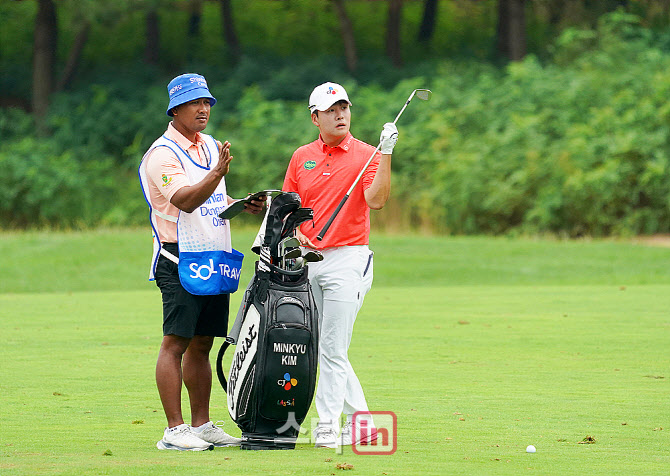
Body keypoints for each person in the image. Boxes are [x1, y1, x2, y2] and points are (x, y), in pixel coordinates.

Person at [139, 73, 264, 451]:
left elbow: (212, 204)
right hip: (178, 259)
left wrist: (242, 206)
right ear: (175, 109)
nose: (203, 108)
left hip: (212, 257)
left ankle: (202, 425)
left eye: (207, 101)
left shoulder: (209, 146)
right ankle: (174, 431)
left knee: (202, 344)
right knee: (175, 342)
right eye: (195, 102)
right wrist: (216, 174)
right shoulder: (161, 154)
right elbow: (186, 200)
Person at [282, 82, 398, 448]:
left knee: (330, 347)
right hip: (309, 261)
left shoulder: (368, 153)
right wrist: (296, 232)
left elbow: (376, 201)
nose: (340, 115)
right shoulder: (302, 156)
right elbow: (290, 206)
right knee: (324, 346)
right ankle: (363, 423)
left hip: (349, 258)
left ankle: (328, 425)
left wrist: (388, 153)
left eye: (344, 108)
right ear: (315, 117)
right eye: (331, 110)